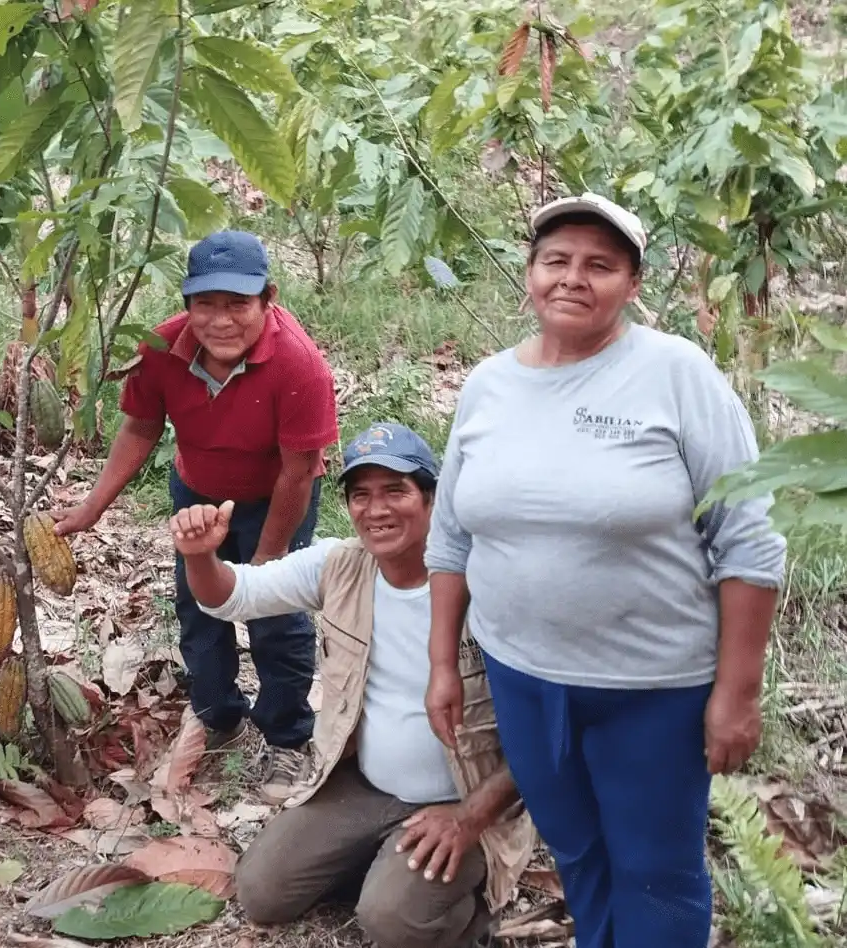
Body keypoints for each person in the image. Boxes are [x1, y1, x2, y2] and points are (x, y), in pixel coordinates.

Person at [424, 192, 787, 948]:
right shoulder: (489, 385)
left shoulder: (676, 374)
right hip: (525, 681)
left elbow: (750, 537)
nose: (573, 278)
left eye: (600, 265)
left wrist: (738, 692)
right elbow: (452, 536)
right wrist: (442, 665)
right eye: (556, 260)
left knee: (656, 871)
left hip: (652, 690)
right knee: (579, 854)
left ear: (633, 283)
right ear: (530, 272)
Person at [169, 422, 535, 948]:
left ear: (433, 500)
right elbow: (232, 596)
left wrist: (469, 817)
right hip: (366, 784)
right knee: (261, 890)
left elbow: (550, 724)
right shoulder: (341, 566)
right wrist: (200, 555)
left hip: (465, 798)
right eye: (361, 495)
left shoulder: (491, 583)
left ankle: (467, 909)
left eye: (395, 491)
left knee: (391, 921)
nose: (376, 509)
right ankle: (384, 863)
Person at [52, 230, 339, 803]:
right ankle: (216, 715)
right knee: (200, 607)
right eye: (206, 304)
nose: (221, 320)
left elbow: (297, 471)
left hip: (276, 497)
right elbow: (141, 427)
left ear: (268, 299)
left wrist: (268, 559)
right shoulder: (162, 349)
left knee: (276, 617)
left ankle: (286, 735)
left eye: (238, 304)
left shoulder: (299, 366)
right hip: (198, 491)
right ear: (187, 304)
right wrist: (91, 507)